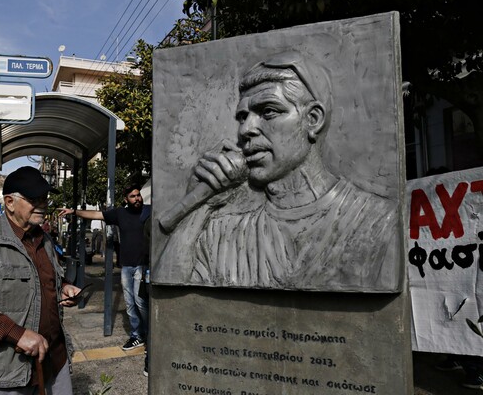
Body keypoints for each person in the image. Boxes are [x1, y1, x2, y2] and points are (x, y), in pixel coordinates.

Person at [154, 52, 401, 292]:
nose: (246, 130)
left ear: (313, 119)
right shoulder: (226, 232)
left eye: (268, 111)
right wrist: (200, 206)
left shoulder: (377, 222)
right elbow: (170, 301)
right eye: (242, 117)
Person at [0, 166, 82, 394]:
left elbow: (44, 282)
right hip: (8, 374)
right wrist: (17, 334)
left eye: (45, 198)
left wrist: (63, 289)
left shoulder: (45, 239)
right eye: (34, 198)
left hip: (54, 362)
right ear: (10, 202)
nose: (42, 204)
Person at [59, 184, 150, 352]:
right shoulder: (120, 213)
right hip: (126, 266)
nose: (137, 198)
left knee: (140, 301)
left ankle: (150, 335)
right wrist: (73, 212)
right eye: (133, 196)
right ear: (126, 200)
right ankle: (137, 335)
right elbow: (95, 214)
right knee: (130, 304)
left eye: (138, 195)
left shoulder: (148, 211)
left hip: (142, 265)